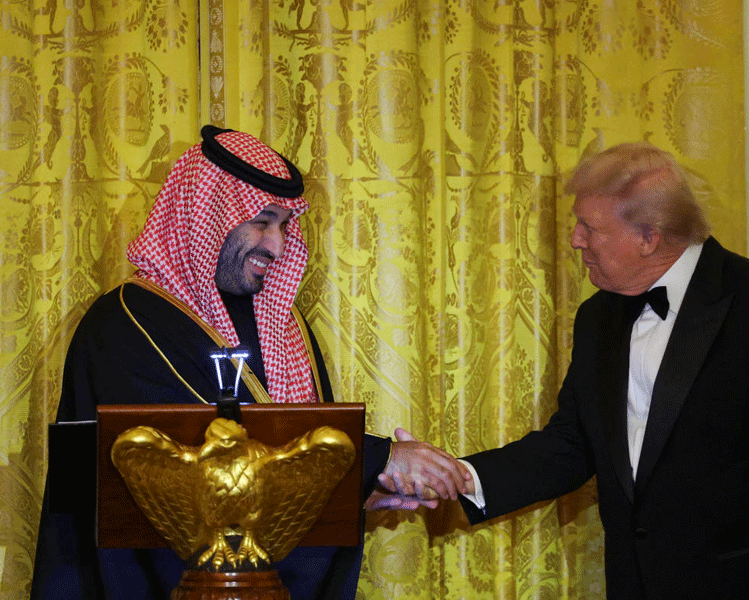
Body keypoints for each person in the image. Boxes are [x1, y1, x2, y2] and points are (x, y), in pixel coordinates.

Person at [389, 141, 749, 598]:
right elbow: (572, 445)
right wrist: (461, 475)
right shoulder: (599, 317)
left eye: (588, 227)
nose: (576, 241)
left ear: (648, 237)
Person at [30, 126, 469, 600]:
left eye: (284, 225)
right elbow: (202, 455)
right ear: (209, 215)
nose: (277, 245)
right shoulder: (124, 323)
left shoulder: (284, 324)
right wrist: (379, 459)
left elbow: (282, 450)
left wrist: (355, 490)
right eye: (262, 220)